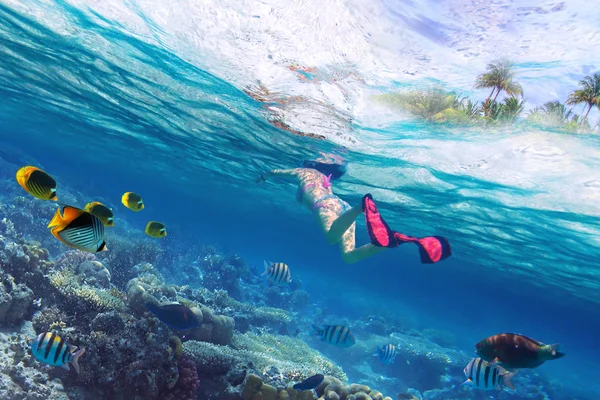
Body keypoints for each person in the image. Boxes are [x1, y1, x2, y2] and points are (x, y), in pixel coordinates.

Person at [257, 167, 452, 264]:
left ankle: (362, 206)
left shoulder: (304, 172)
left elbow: (276, 172)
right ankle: (396, 240)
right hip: (341, 206)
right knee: (349, 257)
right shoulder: (324, 179)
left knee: (331, 238)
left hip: (325, 205)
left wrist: (263, 177)